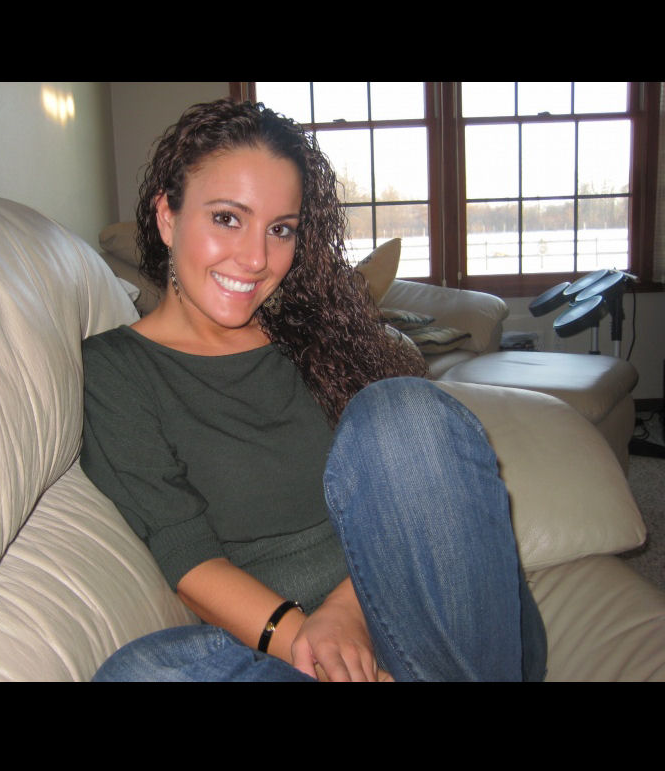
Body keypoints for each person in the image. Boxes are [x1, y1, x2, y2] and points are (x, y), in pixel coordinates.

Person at [81, 98, 547, 682]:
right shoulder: (117, 370)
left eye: (280, 230)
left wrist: (346, 615)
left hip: (441, 621)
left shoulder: (318, 337)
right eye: (227, 218)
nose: (256, 259)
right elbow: (188, 558)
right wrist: (314, 646)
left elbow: (428, 499)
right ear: (168, 217)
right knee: (144, 671)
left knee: (403, 410)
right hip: (291, 651)